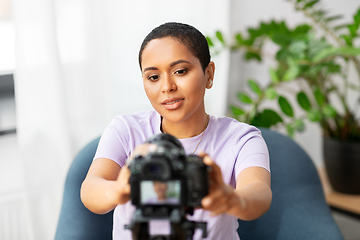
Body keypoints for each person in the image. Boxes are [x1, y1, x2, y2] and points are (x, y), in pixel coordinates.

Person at [80, 22, 272, 240]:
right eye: (154, 77)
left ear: (208, 74)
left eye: (180, 71)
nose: (167, 86)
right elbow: (90, 190)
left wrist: (231, 199)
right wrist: (121, 189)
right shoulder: (125, 130)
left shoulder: (241, 138)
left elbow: (259, 192)